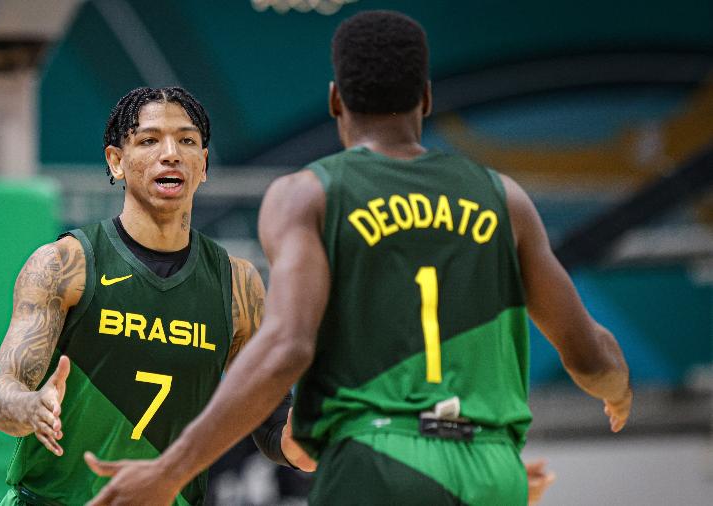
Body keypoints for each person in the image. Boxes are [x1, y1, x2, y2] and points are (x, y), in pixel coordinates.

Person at [84, 10, 631, 506]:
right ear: (427, 99)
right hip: (492, 464)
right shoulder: (503, 197)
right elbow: (588, 356)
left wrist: (172, 469)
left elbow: (286, 346)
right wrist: (617, 389)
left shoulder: (309, 194)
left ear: (335, 101)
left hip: (378, 459)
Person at [0, 86, 314, 506]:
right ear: (116, 161)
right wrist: (32, 407)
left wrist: (304, 440)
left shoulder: (238, 283)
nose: (171, 153)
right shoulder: (64, 264)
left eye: (188, 140)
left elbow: (271, 422)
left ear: (204, 165)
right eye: (149, 140)